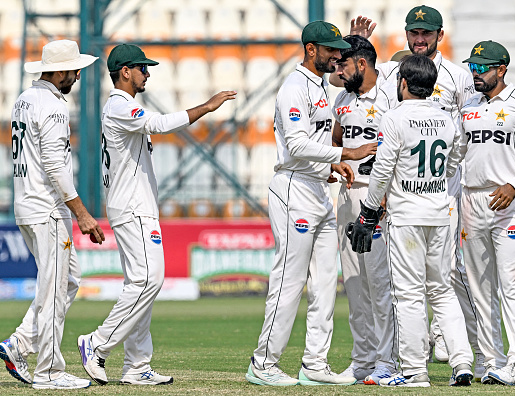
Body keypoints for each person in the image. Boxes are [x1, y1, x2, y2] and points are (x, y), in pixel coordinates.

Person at [77, 44, 236, 386]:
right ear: (125, 72)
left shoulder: (124, 106)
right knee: (149, 280)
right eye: (142, 68)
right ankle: (97, 343)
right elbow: (162, 123)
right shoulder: (120, 105)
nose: (147, 73)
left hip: (136, 206)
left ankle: (136, 365)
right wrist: (207, 107)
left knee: (141, 284)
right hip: (132, 208)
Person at [346, 6, 483, 375]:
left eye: (426, 33)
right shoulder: (445, 119)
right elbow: (458, 151)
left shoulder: (397, 112)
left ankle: (414, 370)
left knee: (408, 294)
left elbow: (383, 169)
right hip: (440, 205)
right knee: (442, 290)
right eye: (414, 33)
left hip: (406, 211)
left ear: (403, 83)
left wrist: (368, 211)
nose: (419, 39)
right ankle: (462, 361)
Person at [245, 21, 377, 387]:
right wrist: (345, 152)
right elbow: (298, 144)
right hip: (293, 190)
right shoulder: (293, 88)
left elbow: (360, 76)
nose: (338, 56)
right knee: (289, 280)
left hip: (319, 189)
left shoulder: (319, 85)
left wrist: (331, 165)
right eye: (332, 50)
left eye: (340, 51)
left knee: (323, 285)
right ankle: (263, 363)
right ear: (310, 49)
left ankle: (315, 364)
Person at [0, 39, 104, 390]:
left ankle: (20, 344)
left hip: (26, 204)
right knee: (54, 289)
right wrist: (82, 214)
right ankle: (48, 371)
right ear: (59, 71)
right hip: (47, 209)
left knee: (66, 281)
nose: (77, 75)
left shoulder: (24, 99)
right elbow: (54, 165)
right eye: (74, 70)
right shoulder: (53, 106)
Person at [459, 40, 515, 385]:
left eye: (483, 67)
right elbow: (458, 155)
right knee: (479, 287)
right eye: (473, 66)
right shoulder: (467, 104)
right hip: (471, 200)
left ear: (502, 69)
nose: (476, 73)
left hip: (506, 202)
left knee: (510, 285)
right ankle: (491, 359)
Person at [331, 35, 399, 385]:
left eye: (343, 63)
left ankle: (387, 362)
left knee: (379, 284)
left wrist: (385, 196)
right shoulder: (342, 99)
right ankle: (362, 361)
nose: (337, 69)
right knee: (355, 285)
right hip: (347, 198)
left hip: (378, 200)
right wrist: (335, 164)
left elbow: (399, 152)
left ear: (361, 64)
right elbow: (335, 142)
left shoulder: (389, 99)